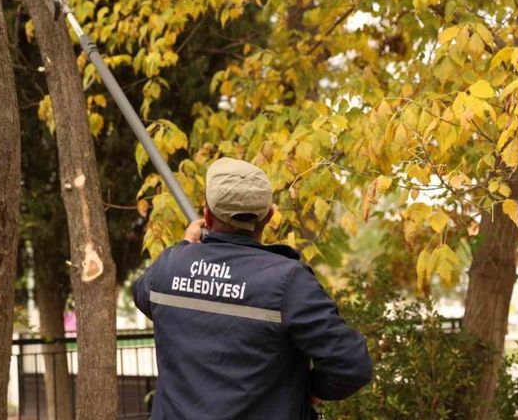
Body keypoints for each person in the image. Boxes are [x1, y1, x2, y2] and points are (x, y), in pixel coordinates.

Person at [133, 157, 372, 420]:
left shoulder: (168, 266)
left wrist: (185, 247)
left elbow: (143, 296)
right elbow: (351, 365)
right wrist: (307, 391)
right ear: (269, 216)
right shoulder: (288, 281)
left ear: (207, 215)